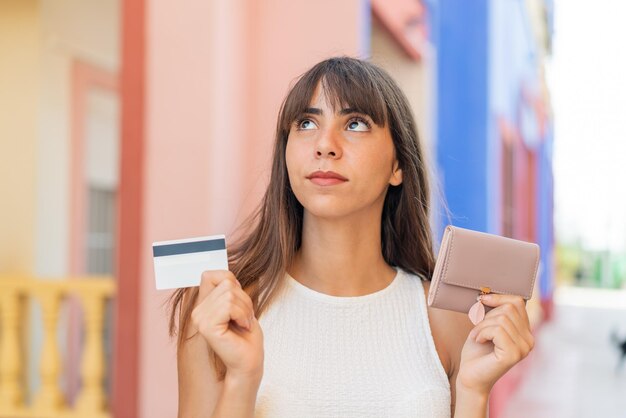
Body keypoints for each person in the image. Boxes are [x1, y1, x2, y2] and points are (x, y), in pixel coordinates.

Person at [169, 56, 535, 418]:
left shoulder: (444, 318)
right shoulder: (223, 309)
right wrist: (242, 381)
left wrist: (474, 393)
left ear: (398, 166)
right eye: (307, 123)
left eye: (355, 124)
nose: (324, 145)